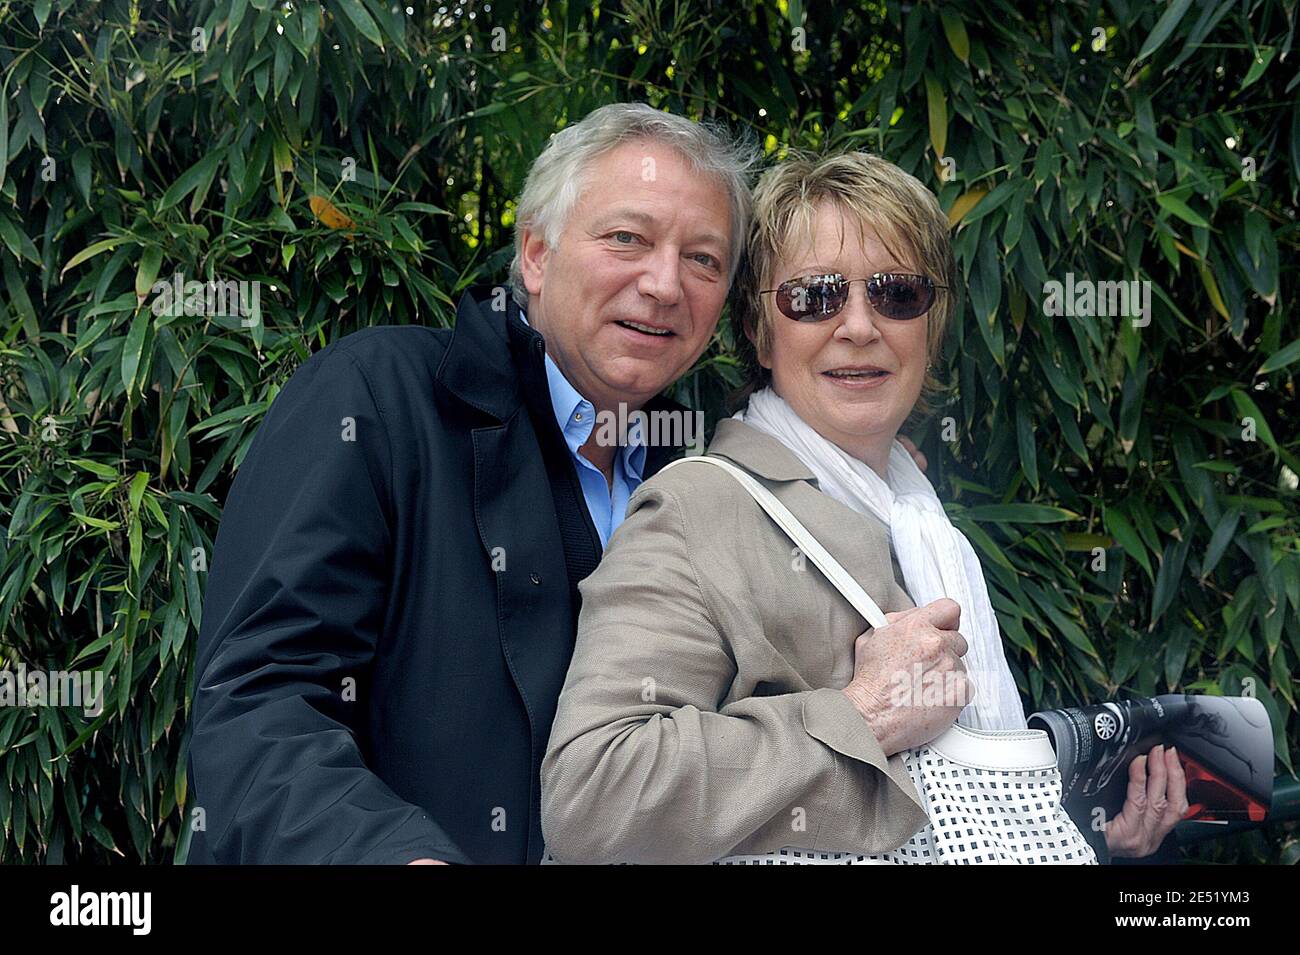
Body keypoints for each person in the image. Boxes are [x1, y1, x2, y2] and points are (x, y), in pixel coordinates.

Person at [540, 149, 1188, 864]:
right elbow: (593, 796)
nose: (858, 325)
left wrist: (1098, 833)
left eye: (896, 294)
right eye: (815, 295)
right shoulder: (698, 508)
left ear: (931, 325)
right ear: (759, 330)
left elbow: (953, 814)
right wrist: (860, 712)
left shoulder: (921, 523)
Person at [185, 103, 758, 864]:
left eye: (704, 260)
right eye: (628, 237)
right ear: (536, 255)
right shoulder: (378, 399)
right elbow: (255, 702)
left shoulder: (707, 475)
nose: (663, 283)